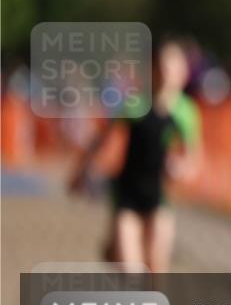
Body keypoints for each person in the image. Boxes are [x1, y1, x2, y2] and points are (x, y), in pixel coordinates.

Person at [70, 39, 202, 273]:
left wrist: (181, 169)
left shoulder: (185, 112)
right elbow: (101, 140)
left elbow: (193, 159)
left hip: (159, 200)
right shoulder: (135, 105)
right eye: (162, 67)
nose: (167, 74)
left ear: (183, 73)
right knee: (131, 273)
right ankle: (117, 248)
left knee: (156, 270)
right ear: (153, 69)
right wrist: (82, 171)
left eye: (173, 68)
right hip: (127, 195)